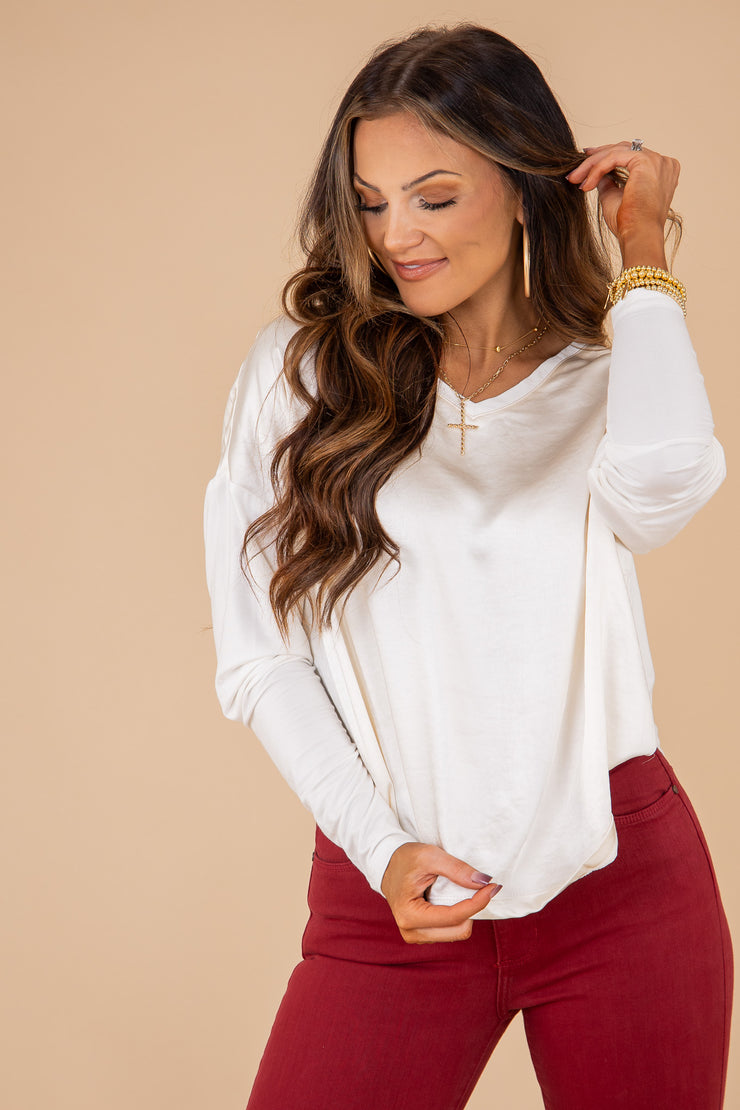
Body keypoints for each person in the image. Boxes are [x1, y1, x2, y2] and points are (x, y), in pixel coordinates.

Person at [203, 23, 733, 1110]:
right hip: (391, 884)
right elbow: (260, 659)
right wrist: (381, 848)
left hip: (617, 879)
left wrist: (641, 249)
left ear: (525, 188)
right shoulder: (301, 378)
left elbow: (665, 484)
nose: (396, 235)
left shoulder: (604, 377)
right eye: (370, 202)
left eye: (434, 197)